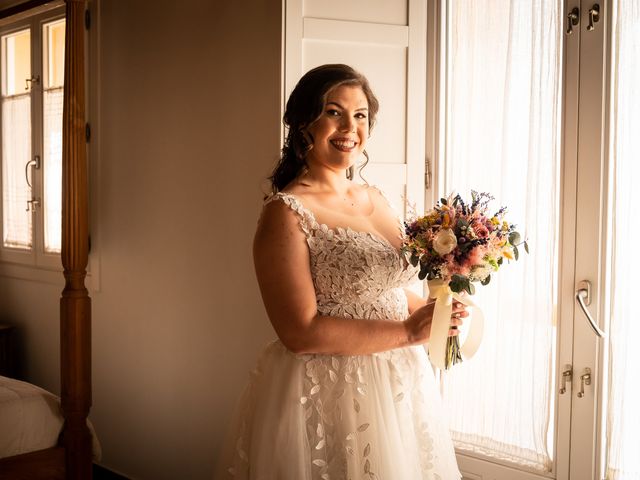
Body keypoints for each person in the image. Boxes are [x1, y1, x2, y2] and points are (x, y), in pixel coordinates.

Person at [216, 64, 466, 479]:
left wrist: (437, 313)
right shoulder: (286, 212)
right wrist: (408, 333)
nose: (350, 127)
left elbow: (387, 289)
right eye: (334, 112)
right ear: (304, 124)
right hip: (329, 390)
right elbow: (299, 332)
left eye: (361, 114)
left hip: (399, 383)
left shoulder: (377, 196)